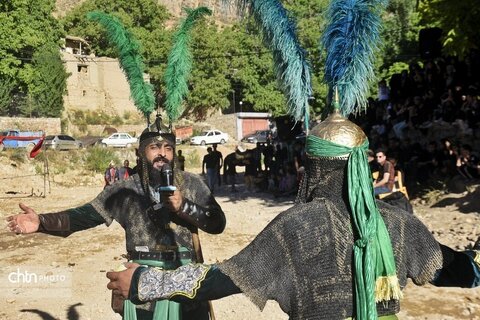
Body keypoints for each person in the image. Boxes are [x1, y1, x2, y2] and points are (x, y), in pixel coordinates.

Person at [105, 109, 480, 320]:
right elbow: (458, 270)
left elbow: (226, 280)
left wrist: (145, 284)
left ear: (312, 166)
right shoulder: (398, 223)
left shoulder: (296, 227)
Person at [6, 130, 226, 320]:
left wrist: (184, 207)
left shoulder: (191, 184)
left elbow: (217, 223)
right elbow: (85, 216)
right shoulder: (123, 190)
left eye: (168, 148)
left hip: (185, 282)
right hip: (140, 283)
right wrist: (42, 222)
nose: (162, 154)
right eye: (154, 147)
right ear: (139, 153)